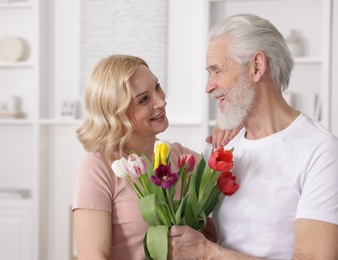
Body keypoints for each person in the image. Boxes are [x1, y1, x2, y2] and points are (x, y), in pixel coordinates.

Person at [169, 14, 338, 259]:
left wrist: (208, 253)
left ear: (257, 66)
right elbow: (216, 235)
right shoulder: (220, 149)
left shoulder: (321, 151)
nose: (208, 86)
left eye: (217, 71)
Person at [72, 54, 229, 259]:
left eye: (157, 87)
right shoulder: (97, 168)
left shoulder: (181, 158)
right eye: (143, 99)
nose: (161, 101)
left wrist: (232, 128)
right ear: (116, 114)